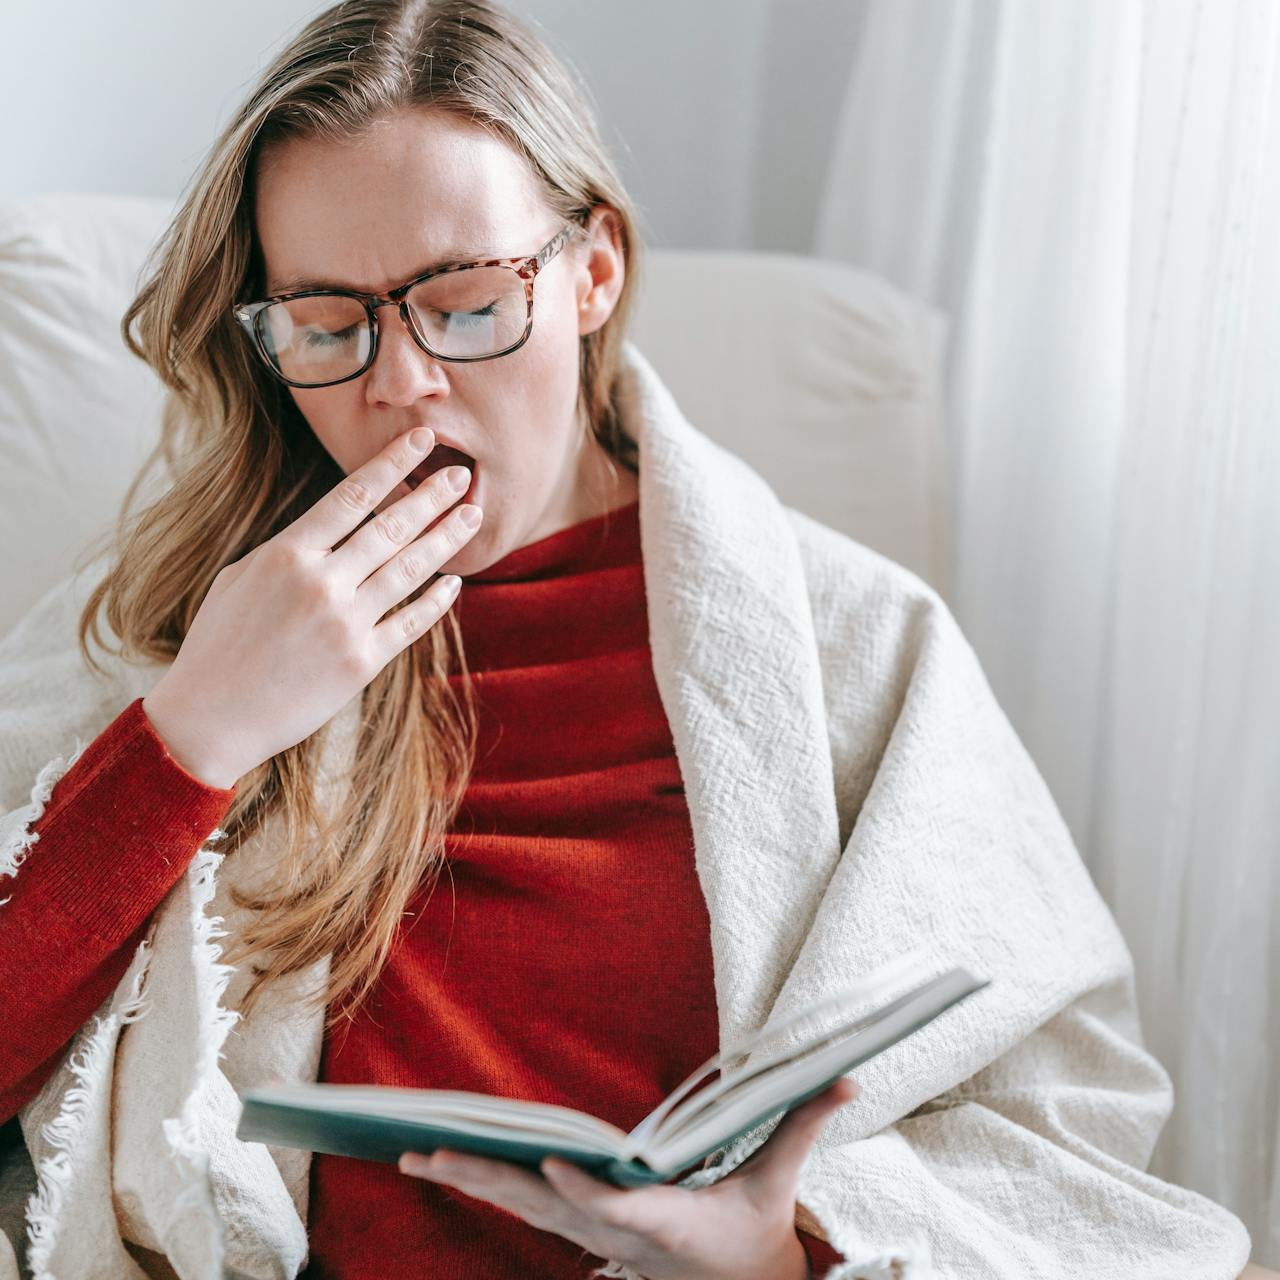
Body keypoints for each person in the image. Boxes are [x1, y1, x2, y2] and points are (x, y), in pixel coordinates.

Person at [0, 2, 1267, 1278]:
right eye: (328, 327)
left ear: (591, 270)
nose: (400, 384)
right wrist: (194, 733)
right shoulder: (170, 623)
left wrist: (779, 1255)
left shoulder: (857, 643)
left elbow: (1066, 1124)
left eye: (466, 301)